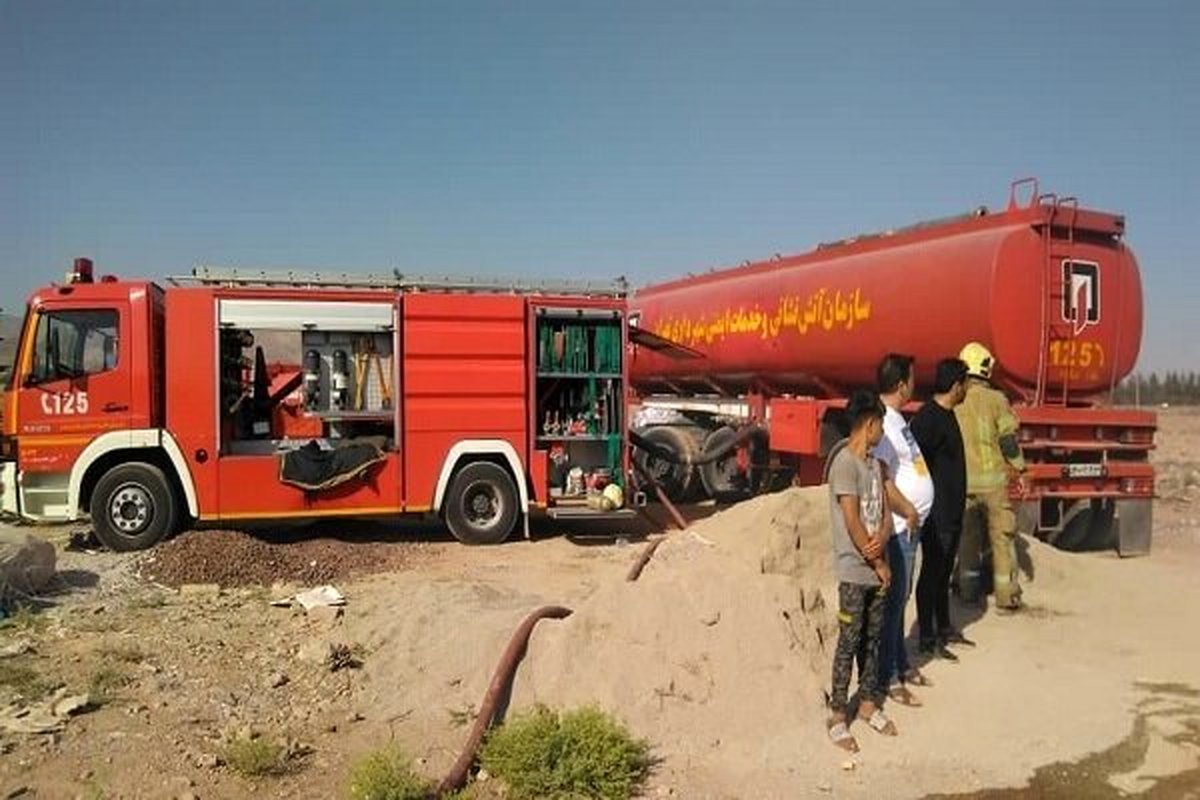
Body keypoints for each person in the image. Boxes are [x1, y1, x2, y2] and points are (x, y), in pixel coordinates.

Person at [826, 390, 896, 752]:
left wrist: (884, 536)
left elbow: (883, 512)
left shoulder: (876, 465)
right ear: (869, 424)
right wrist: (878, 561)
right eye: (881, 424)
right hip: (856, 571)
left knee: (873, 639)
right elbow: (852, 520)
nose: (882, 431)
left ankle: (868, 704)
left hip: (875, 568)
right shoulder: (844, 465)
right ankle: (838, 714)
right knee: (849, 640)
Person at [871, 354, 934, 707]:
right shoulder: (884, 425)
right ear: (900, 384)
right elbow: (882, 478)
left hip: (909, 526)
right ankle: (888, 677)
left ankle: (900, 663)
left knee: (900, 601)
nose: (915, 384)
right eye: (912, 378)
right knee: (894, 605)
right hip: (898, 527)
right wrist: (908, 509)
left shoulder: (896, 421)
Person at [954, 342, 1028, 612]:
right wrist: (1021, 469)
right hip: (994, 485)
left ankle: (968, 591)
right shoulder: (997, 400)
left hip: (965, 484)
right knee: (1002, 538)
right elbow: (1008, 441)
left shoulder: (956, 400)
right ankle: (1006, 596)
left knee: (968, 539)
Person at [910, 358, 974, 658]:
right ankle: (926, 637)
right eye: (965, 384)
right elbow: (915, 465)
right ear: (955, 385)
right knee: (932, 573)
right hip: (937, 515)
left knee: (944, 572)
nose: (967, 390)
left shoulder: (948, 415)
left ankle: (944, 628)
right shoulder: (928, 419)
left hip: (952, 512)